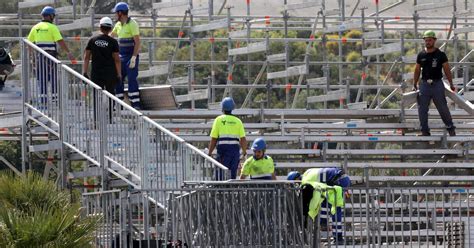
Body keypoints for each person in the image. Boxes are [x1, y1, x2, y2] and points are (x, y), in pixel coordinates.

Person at [288, 168, 350, 245]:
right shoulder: (307, 173)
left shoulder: (306, 181)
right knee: (324, 201)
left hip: (338, 181)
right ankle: (324, 224)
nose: (297, 186)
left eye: (295, 184)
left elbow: (314, 197)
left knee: (335, 210)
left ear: (296, 179)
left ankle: (338, 238)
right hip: (340, 178)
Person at [27, 6, 75, 107]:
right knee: (53, 78)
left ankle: (43, 102)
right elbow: (60, 41)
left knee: (41, 79)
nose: (53, 17)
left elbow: (29, 44)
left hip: (40, 57)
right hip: (51, 58)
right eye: (53, 15)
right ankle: (55, 100)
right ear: (50, 16)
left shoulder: (35, 27)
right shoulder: (53, 27)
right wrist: (68, 53)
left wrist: (31, 58)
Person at [413, 30, 456, 136]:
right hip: (424, 85)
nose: (427, 42)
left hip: (437, 84)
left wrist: (451, 83)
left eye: (430, 40)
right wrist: (415, 83)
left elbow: (447, 69)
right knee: (422, 109)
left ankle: (450, 128)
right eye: (426, 40)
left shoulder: (440, 55)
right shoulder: (421, 55)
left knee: (442, 107)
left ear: (434, 41)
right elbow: (417, 70)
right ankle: (424, 131)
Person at [83, 17, 121, 125]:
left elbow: (86, 57)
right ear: (110, 29)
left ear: (100, 27)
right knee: (110, 95)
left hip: (96, 72)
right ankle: (109, 118)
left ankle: (96, 119)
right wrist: (119, 74)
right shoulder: (113, 42)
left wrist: (85, 72)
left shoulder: (92, 40)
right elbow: (117, 60)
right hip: (110, 72)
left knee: (96, 95)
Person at [208, 97, 247, 179]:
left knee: (221, 174)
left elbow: (214, 139)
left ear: (222, 108)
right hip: (234, 151)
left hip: (223, 150)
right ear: (233, 108)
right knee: (232, 175)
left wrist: (210, 152)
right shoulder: (238, 121)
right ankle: (231, 190)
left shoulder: (218, 120)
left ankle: (220, 190)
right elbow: (243, 139)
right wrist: (244, 152)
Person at [111, 2, 141, 110]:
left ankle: (135, 105)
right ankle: (119, 104)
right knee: (118, 79)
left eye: (116, 13)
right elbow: (111, 37)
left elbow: (137, 42)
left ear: (120, 13)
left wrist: (134, 57)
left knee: (132, 79)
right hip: (121, 57)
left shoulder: (132, 24)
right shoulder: (118, 25)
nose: (115, 15)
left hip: (130, 57)